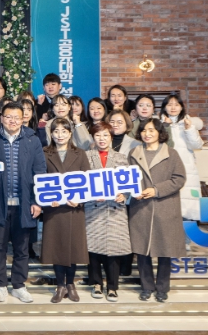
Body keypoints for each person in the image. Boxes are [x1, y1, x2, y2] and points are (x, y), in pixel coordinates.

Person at [0, 102, 46, 303]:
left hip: (25, 204)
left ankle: (19, 285)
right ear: (1, 118)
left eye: (17, 117)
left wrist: (37, 201)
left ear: (23, 119)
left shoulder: (32, 140)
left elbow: (40, 171)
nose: (12, 121)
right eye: (8, 117)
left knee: (22, 248)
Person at [128, 118, 187, 302]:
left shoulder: (171, 153)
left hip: (165, 207)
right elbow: (128, 178)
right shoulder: (134, 153)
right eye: (144, 130)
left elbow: (179, 179)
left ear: (160, 133)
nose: (147, 134)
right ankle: (146, 287)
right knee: (142, 250)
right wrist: (134, 191)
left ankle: (162, 288)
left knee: (164, 250)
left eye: (151, 130)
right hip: (140, 207)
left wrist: (156, 190)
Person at [40, 118, 90, 303]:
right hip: (53, 209)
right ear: (51, 133)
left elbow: (87, 181)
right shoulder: (44, 152)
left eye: (64, 131)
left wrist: (79, 200)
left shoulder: (80, 154)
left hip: (73, 209)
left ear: (70, 133)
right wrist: (46, 199)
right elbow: (39, 178)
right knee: (56, 247)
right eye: (56, 131)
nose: (60, 135)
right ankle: (60, 285)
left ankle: (70, 284)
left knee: (72, 248)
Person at [84, 122, 131, 302]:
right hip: (93, 208)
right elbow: (81, 184)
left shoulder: (121, 158)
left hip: (115, 209)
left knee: (114, 249)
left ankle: (112, 287)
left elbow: (128, 183)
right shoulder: (85, 157)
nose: (102, 139)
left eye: (105, 135)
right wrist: (91, 195)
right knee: (93, 248)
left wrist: (124, 195)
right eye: (98, 135)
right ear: (93, 138)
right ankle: (96, 283)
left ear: (111, 137)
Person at [159, 94, 205, 221]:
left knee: (188, 204)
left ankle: (187, 230)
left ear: (181, 107)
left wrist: (189, 129)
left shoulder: (187, 123)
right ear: (164, 107)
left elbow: (197, 145)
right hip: (167, 167)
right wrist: (165, 126)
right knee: (169, 205)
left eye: (176, 104)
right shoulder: (159, 124)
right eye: (169, 104)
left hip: (186, 167)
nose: (173, 107)